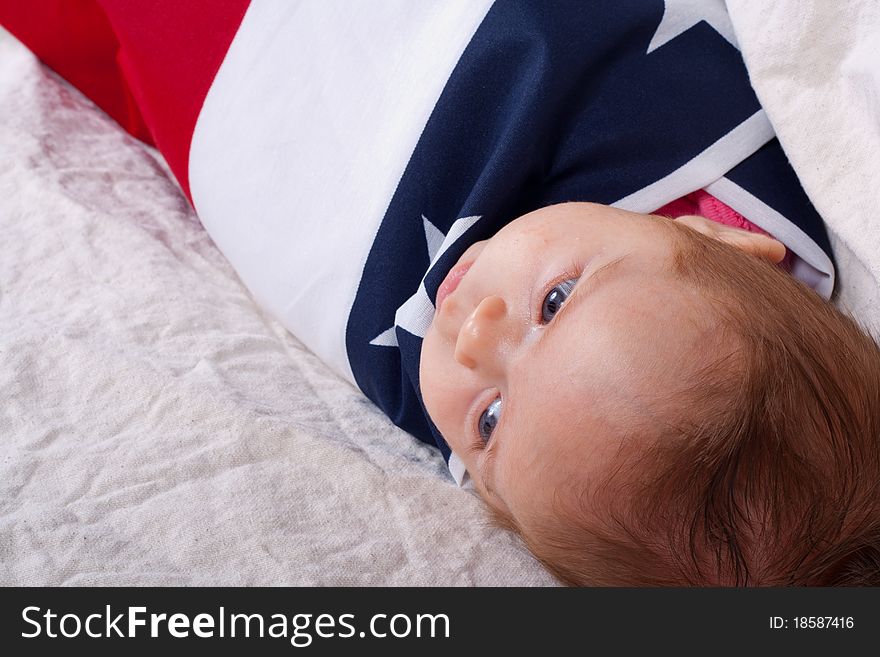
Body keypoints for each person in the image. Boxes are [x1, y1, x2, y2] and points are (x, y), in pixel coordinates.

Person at [3, 0, 879, 585]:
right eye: (555, 301)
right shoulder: (738, 191)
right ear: (722, 235)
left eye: (490, 420)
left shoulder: (561, 459)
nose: (470, 331)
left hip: (242, 94)